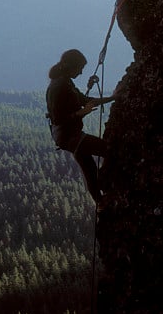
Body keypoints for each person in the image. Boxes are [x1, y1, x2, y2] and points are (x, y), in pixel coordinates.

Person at [45, 49, 114, 203]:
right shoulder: (60, 86)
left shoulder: (65, 82)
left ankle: (101, 203)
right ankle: (107, 188)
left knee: (89, 169)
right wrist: (82, 113)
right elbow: (59, 118)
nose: (82, 72)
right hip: (69, 136)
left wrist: (113, 98)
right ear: (71, 67)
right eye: (80, 69)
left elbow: (85, 100)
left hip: (67, 137)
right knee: (109, 150)